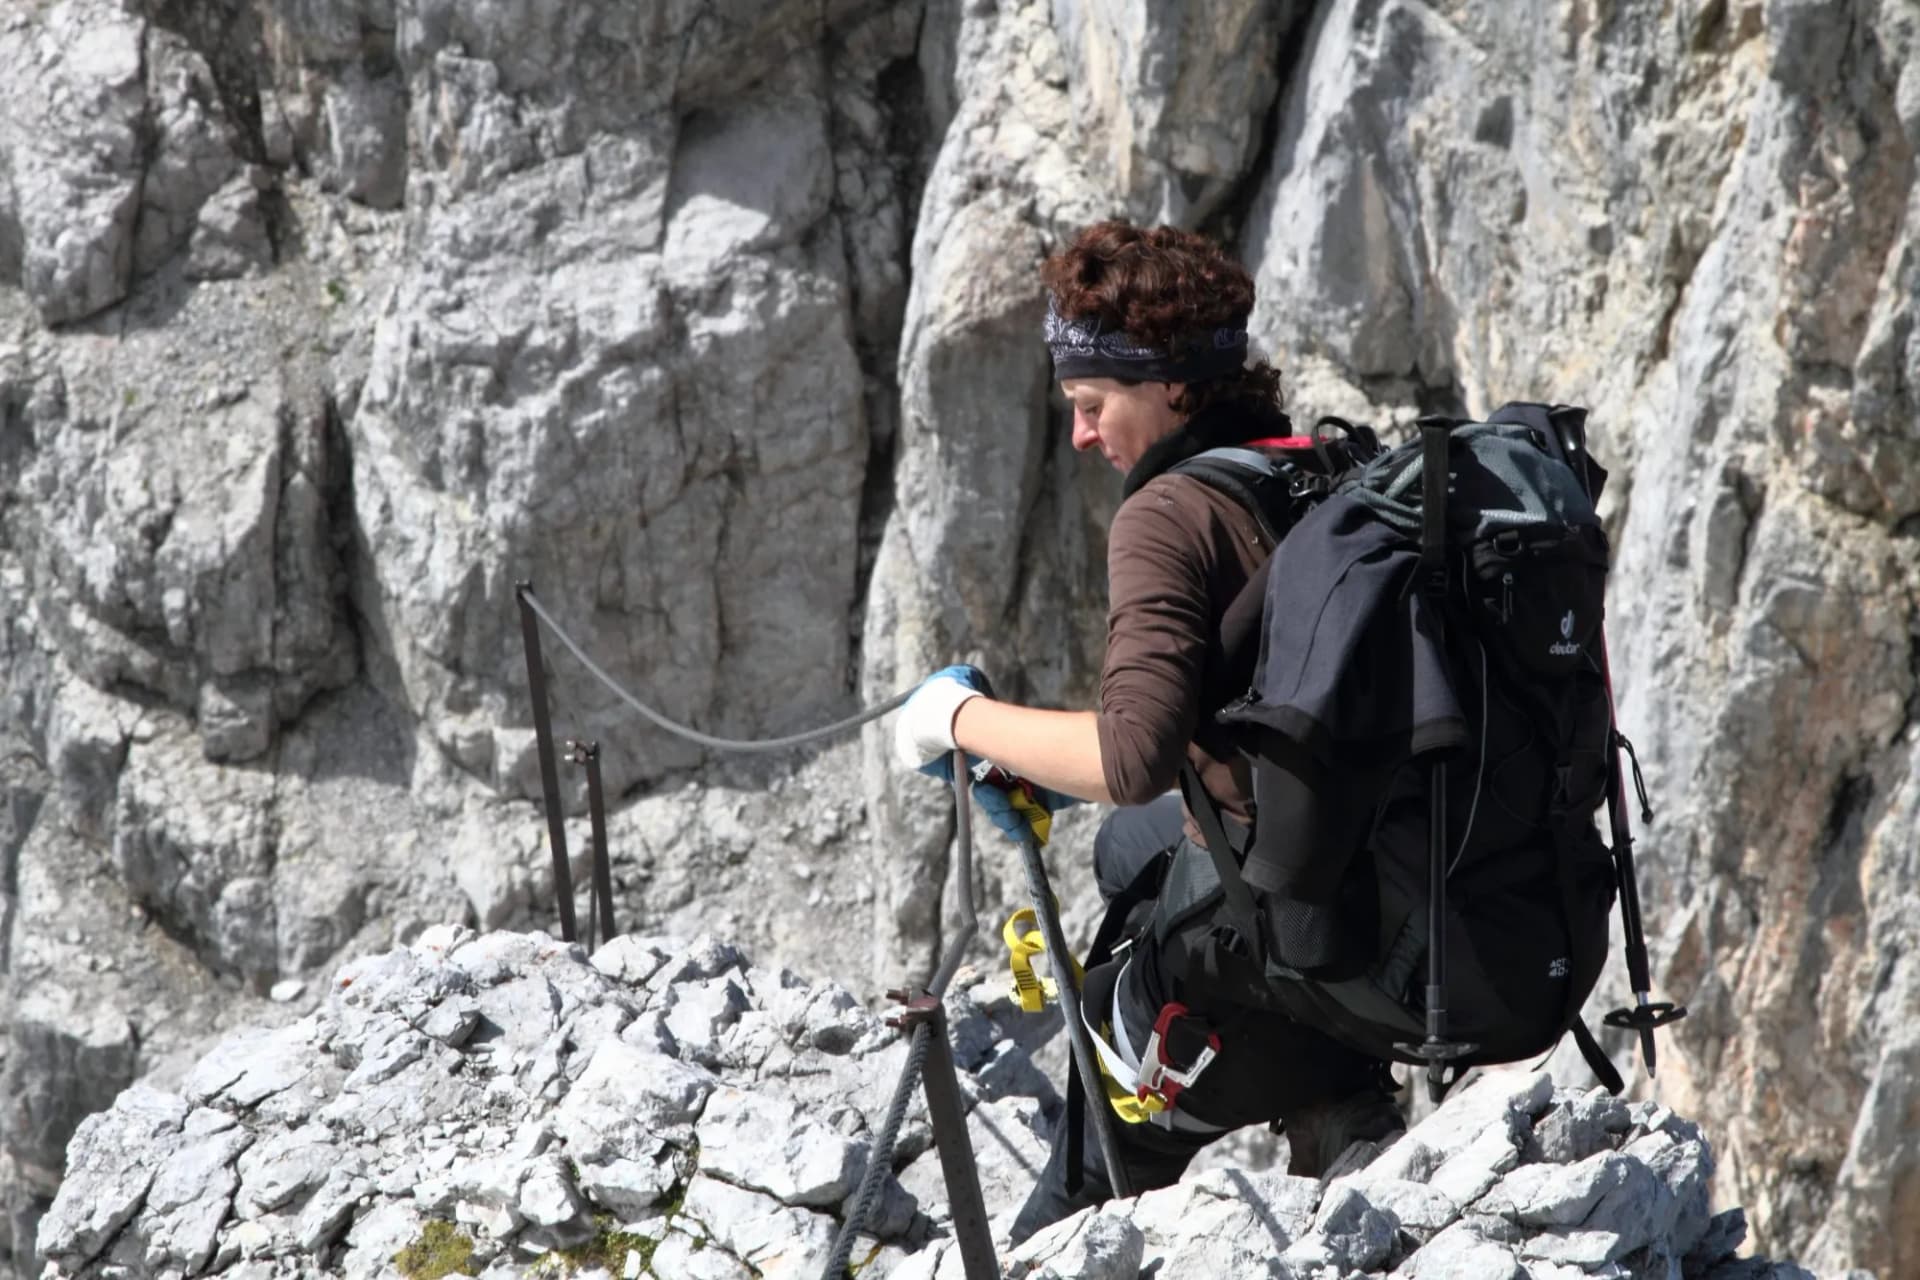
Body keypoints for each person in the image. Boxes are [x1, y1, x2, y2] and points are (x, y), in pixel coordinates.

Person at [893, 220, 1405, 1243]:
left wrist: (955, 718)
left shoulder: (1169, 514)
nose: (1082, 435)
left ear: (1170, 386)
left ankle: (1071, 1216)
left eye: (1092, 406)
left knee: (1107, 1061)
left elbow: (1130, 758)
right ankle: (1338, 1087)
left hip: (1297, 954)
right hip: (1387, 910)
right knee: (1130, 848)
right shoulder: (1311, 470)